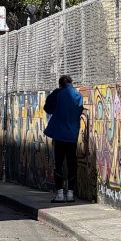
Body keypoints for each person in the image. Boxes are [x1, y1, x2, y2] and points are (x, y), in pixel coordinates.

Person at [43, 75, 83, 203]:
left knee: (58, 164)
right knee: (72, 163)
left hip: (59, 134)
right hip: (72, 135)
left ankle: (60, 194)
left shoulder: (58, 93)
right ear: (71, 83)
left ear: (60, 84)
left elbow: (47, 108)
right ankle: (70, 194)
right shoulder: (78, 95)